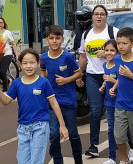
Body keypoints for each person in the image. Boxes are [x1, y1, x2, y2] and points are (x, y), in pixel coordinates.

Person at [0, 48, 68, 164]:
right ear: (20, 65)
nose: (28, 66)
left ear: (38, 63)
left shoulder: (43, 82)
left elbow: (54, 103)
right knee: (22, 161)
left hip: (40, 126)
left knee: (36, 161)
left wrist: (62, 125)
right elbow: (5, 101)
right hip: (22, 128)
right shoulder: (17, 83)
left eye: (32, 63)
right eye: (25, 63)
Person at [76, 5, 119, 157]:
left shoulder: (113, 32)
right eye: (96, 14)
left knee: (117, 111)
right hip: (92, 76)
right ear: (92, 17)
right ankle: (93, 146)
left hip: (112, 77)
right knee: (95, 111)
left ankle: (125, 143)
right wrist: (79, 74)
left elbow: (123, 53)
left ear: (106, 16)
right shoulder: (86, 33)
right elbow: (83, 56)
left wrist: (108, 54)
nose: (99, 17)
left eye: (102, 14)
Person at [40, 25, 83, 164]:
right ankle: (58, 161)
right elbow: (42, 72)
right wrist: (43, 84)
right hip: (52, 102)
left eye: (57, 38)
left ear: (62, 40)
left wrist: (66, 80)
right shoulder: (44, 57)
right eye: (51, 38)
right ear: (47, 40)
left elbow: (78, 73)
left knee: (73, 133)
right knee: (53, 134)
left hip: (68, 101)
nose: (54, 41)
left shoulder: (68, 57)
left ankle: (78, 160)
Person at [109, 27, 133, 164]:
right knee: (119, 136)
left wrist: (131, 76)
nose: (120, 46)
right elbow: (121, 78)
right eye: (118, 43)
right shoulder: (117, 59)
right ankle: (124, 160)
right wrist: (113, 87)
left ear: (132, 44)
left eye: (124, 43)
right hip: (120, 104)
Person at [98, 39, 118, 164]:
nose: (109, 53)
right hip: (109, 102)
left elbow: (123, 83)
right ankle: (112, 158)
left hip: (121, 102)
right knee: (111, 129)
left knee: (125, 130)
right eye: (106, 50)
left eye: (112, 50)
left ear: (117, 52)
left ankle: (132, 148)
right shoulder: (105, 65)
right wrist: (103, 85)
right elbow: (106, 79)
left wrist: (112, 80)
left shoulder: (120, 65)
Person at [0, 17, 19, 92]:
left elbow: (13, 44)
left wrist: (17, 54)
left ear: (4, 23)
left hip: (7, 54)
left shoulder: (7, 32)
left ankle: (5, 90)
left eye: (1, 22)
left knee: (2, 71)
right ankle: (8, 81)